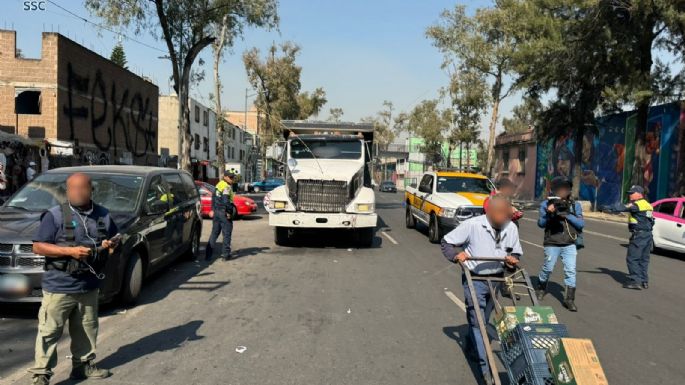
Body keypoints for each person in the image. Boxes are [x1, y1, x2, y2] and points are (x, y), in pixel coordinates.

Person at [29, 173, 119, 385]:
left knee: (87, 328)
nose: (76, 192)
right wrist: (69, 252)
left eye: (81, 188)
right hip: (59, 286)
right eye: (72, 189)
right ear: (67, 191)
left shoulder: (103, 215)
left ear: (91, 190)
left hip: (88, 286)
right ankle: (41, 375)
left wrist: (111, 244)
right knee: (49, 332)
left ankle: (83, 366)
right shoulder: (54, 216)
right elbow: (37, 246)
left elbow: (116, 236)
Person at [441, 194, 522, 385]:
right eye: (500, 213)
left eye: (506, 213)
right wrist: (456, 255)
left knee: (483, 320)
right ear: (489, 211)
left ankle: (471, 345)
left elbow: (515, 251)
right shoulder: (473, 225)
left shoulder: (511, 227)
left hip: (496, 278)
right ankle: (487, 370)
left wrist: (512, 261)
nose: (504, 217)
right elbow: (446, 242)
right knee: (478, 324)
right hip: (474, 278)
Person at [535, 176, 584, 312]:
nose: (563, 191)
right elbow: (541, 224)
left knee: (571, 271)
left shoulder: (575, 205)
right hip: (552, 242)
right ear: (555, 190)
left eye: (566, 188)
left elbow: (581, 223)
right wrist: (548, 213)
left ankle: (569, 299)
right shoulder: (546, 204)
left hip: (569, 243)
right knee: (548, 267)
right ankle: (541, 288)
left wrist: (566, 215)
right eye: (561, 188)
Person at [611, 185, 654, 290]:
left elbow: (621, 208)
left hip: (639, 236)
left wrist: (608, 207)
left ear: (639, 194)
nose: (629, 195)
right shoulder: (648, 205)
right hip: (648, 235)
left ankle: (635, 281)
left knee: (632, 258)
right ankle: (644, 281)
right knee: (644, 259)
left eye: (632, 193)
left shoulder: (637, 205)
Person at [205, 169, 237, 261]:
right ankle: (225, 255)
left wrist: (212, 209)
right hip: (224, 212)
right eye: (230, 177)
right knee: (227, 233)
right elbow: (226, 201)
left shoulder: (219, 184)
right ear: (225, 177)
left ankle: (208, 255)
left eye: (233, 177)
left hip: (217, 212)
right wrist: (229, 212)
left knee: (214, 233)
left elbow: (213, 197)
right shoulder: (226, 187)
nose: (232, 179)